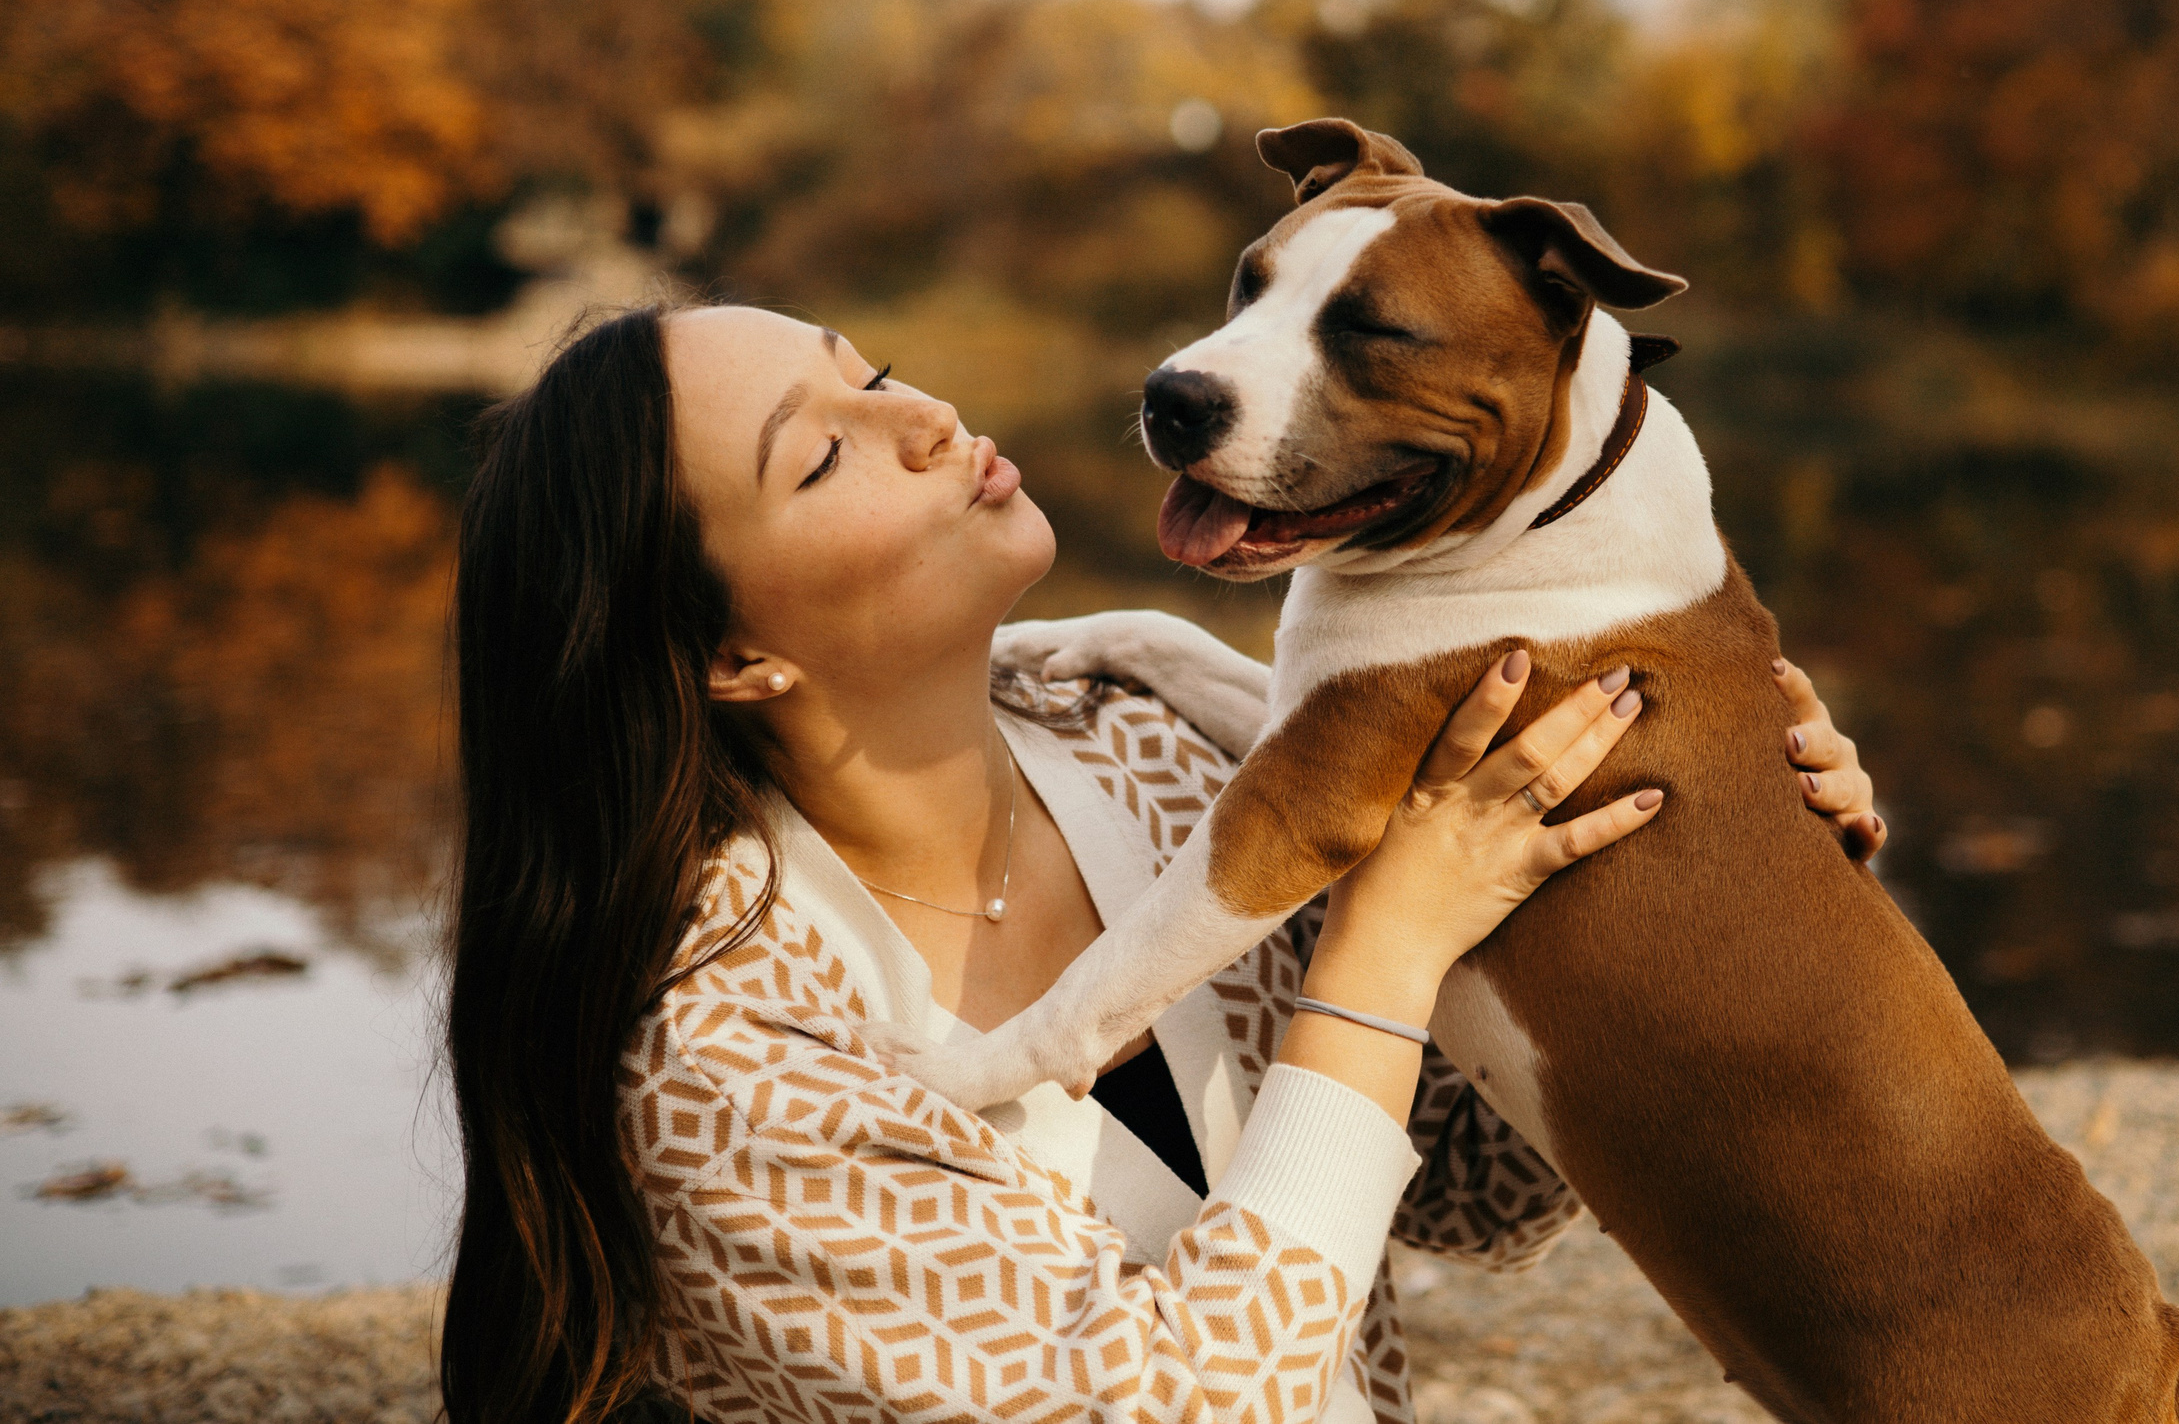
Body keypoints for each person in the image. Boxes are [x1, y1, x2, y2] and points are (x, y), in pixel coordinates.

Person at [439, 302, 1885, 1424]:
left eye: (872, 376)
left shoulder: (1153, 745)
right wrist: (1382, 946)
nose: (928, 418)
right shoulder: (723, 1054)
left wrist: (1711, 872)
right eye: (823, 454)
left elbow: (1468, 1187)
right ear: (735, 657)